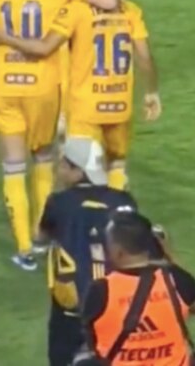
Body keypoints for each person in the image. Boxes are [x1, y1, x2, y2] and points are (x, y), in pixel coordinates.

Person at [0, 0, 119, 271]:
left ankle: (25, 248)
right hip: (42, 84)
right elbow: (108, 2)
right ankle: (44, 236)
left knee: (12, 166)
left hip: (3, 80)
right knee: (43, 158)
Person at [0, 0, 160, 191]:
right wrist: (151, 92)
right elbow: (145, 56)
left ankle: (86, 222)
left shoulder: (74, 11)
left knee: (82, 174)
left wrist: (3, 37)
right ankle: (118, 216)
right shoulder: (130, 10)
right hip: (119, 104)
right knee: (117, 165)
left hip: (85, 107)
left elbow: (44, 48)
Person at [40, 138, 136, 366]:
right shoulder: (124, 200)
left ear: (77, 170)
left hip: (73, 308)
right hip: (121, 304)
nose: (58, 169)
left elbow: (42, 237)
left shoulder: (58, 202)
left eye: (63, 164)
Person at [80, 211, 195, 365]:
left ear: (119, 252)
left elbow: (89, 332)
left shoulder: (100, 290)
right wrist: (168, 254)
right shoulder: (174, 278)